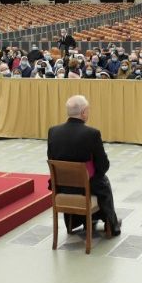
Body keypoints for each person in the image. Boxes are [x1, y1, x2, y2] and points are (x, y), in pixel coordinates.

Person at [47, 95, 121, 236]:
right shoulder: (92, 134)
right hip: (85, 186)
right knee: (103, 182)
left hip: (62, 186)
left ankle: (76, 222)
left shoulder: (53, 131)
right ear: (83, 113)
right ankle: (111, 224)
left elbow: (51, 158)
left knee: (97, 181)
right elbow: (103, 165)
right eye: (88, 110)